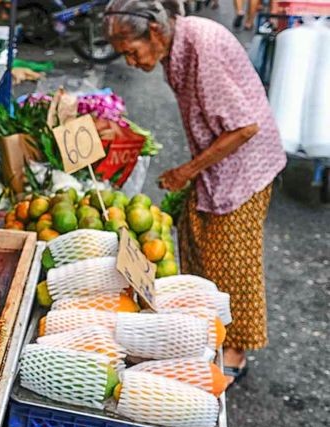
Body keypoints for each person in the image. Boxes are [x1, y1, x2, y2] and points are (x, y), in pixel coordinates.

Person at [102, 0, 286, 387]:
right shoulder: (175, 45)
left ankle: (235, 350)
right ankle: (206, 332)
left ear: (153, 31)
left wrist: (186, 172)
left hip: (244, 165)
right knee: (196, 238)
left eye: (131, 53)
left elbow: (243, 128)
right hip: (217, 160)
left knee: (233, 258)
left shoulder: (201, 45)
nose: (131, 63)